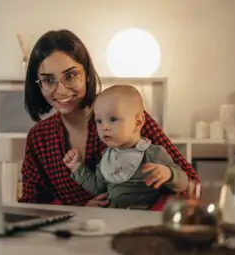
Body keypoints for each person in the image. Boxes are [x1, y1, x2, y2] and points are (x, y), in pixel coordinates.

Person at [19, 29, 199, 210]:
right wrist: (79, 210)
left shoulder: (125, 116)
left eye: (71, 75)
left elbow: (191, 185)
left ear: (87, 74)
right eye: (49, 80)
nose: (61, 90)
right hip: (75, 232)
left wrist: (143, 211)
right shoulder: (39, 137)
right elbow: (32, 203)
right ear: (38, 85)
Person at [63, 85, 188, 209]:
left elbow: (184, 183)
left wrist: (169, 174)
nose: (104, 127)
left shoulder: (153, 153)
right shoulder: (106, 157)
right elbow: (97, 187)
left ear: (138, 122)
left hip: (143, 217)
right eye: (99, 121)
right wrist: (77, 168)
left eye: (113, 119)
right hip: (113, 217)